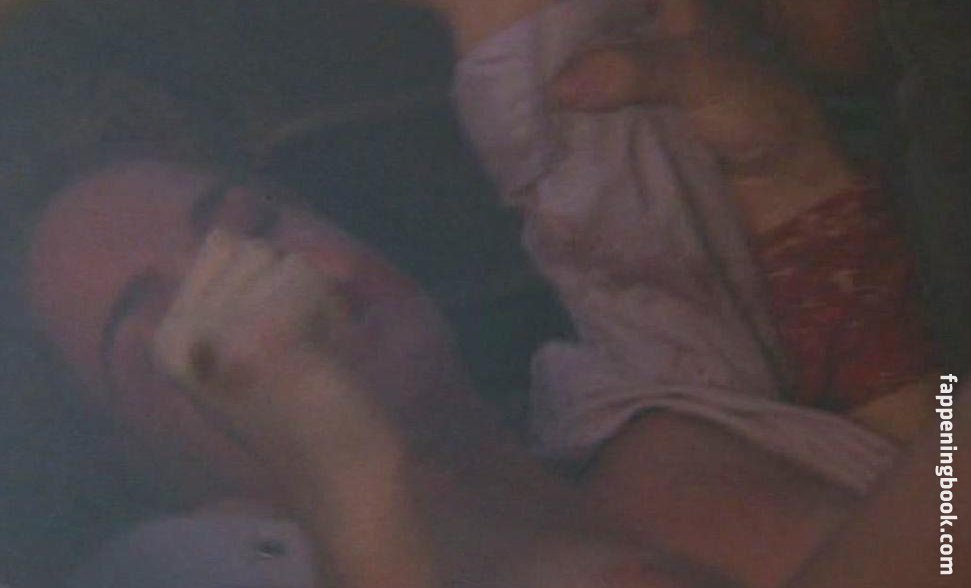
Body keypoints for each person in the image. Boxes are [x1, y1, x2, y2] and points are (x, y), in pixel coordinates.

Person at [0, 0, 947, 586]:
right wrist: (353, 485)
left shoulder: (636, 405)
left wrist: (789, 169)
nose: (263, 288)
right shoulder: (176, 567)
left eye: (254, 224)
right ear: (162, 485)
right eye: (176, 335)